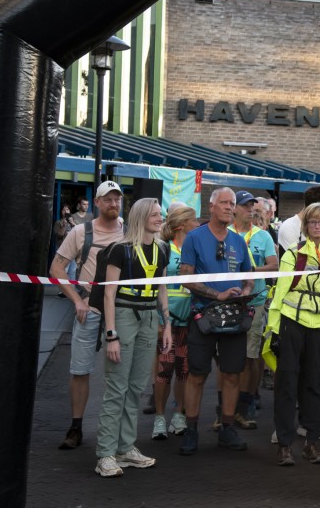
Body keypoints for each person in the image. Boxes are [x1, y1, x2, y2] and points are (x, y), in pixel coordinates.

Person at [94, 198, 172, 477]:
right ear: (141, 217)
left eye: (160, 214)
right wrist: (111, 334)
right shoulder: (120, 250)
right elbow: (109, 293)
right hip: (124, 317)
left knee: (136, 387)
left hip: (150, 318)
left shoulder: (163, 248)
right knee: (117, 387)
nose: (159, 219)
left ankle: (125, 448)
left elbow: (161, 287)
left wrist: (168, 324)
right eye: (154, 215)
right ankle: (105, 453)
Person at [266, 202, 320, 466]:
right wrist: (274, 327)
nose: (316, 226)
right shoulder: (293, 253)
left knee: (315, 384)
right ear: (305, 226)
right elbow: (280, 292)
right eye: (312, 222)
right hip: (292, 321)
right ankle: (285, 445)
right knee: (287, 382)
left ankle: (311, 443)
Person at [178, 187, 254, 456]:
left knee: (232, 374)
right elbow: (185, 278)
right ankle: (191, 429)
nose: (229, 207)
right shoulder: (194, 238)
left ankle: (227, 428)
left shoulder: (239, 241)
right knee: (197, 375)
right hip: (203, 316)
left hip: (234, 318)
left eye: (232, 203)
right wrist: (216, 294)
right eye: (223, 202)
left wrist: (244, 293)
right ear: (211, 206)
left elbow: (249, 277)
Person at [50, 181, 125, 450]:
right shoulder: (81, 232)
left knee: (118, 374)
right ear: (96, 202)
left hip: (121, 313)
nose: (113, 204)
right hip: (89, 312)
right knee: (80, 370)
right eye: (108, 199)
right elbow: (56, 269)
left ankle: (115, 430)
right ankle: (76, 427)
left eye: (117, 199)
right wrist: (77, 300)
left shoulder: (129, 233)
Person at [229, 190, 278, 430]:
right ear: (234, 209)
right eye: (246, 206)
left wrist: (248, 271)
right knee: (227, 358)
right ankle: (225, 409)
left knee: (250, 357)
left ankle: (245, 404)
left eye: (252, 207)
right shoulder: (225, 234)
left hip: (255, 302)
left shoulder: (263, 236)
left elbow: (274, 265)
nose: (250, 210)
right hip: (227, 302)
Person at [151, 204, 199, 440]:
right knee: (164, 368)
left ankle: (179, 414)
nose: (198, 224)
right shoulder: (164, 249)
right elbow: (157, 285)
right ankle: (159, 418)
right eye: (194, 220)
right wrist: (161, 319)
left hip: (189, 320)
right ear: (182, 225)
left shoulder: (195, 248)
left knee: (184, 369)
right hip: (167, 319)